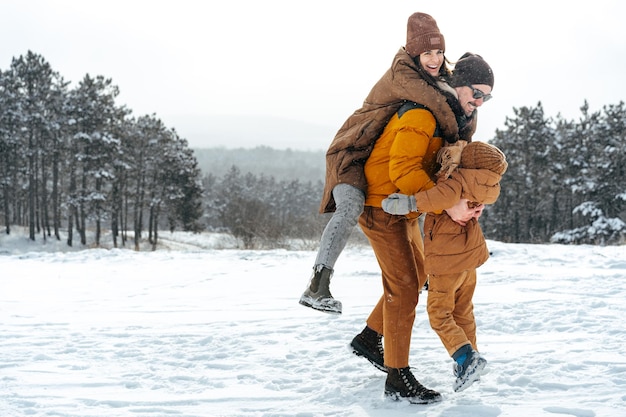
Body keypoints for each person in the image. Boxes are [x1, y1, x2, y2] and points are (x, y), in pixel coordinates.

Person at [299, 12, 475, 315]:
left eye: (439, 52)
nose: (434, 59)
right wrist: (459, 133)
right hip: (350, 153)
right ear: (413, 52)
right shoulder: (403, 73)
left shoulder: (434, 75)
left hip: (373, 155)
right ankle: (317, 285)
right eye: (427, 52)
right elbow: (440, 106)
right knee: (352, 206)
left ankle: (423, 275)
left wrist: (471, 107)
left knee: (413, 205)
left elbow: (459, 101)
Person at [349, 53, 495, 404]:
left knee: (416, 276)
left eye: (486, 97)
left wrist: (467, 196)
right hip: (381, 204)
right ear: (457, 84)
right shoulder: (422, 113)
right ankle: (397, 378)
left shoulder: (451, 117)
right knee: (404, 289)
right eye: (475, 92)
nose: (479, 102)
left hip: (404, 208)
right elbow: (402, 172)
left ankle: (370, 338)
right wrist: (448, 201)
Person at [382, 141, 507, 392]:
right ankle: (473, 356)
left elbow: (433, 198)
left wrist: (404, 204)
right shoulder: (487, 187)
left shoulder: (457, 183)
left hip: (446, 261)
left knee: (440, 314)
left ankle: (465, 358)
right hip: (468, 262)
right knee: (463, 311)